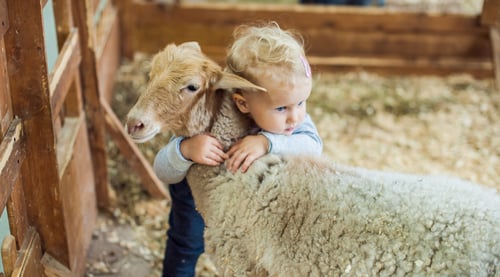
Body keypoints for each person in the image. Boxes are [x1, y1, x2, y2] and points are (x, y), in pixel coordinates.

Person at [154, 22, 323, 277]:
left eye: (302, 102)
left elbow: (313, 148)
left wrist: (267, 142)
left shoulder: (294, 124)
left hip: (249, 209)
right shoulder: (208, 114)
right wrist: (186, 150)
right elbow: (162, 169)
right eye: (282, 108)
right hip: (197, 204)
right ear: (242, 103)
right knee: (185, 246)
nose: (295, 117)